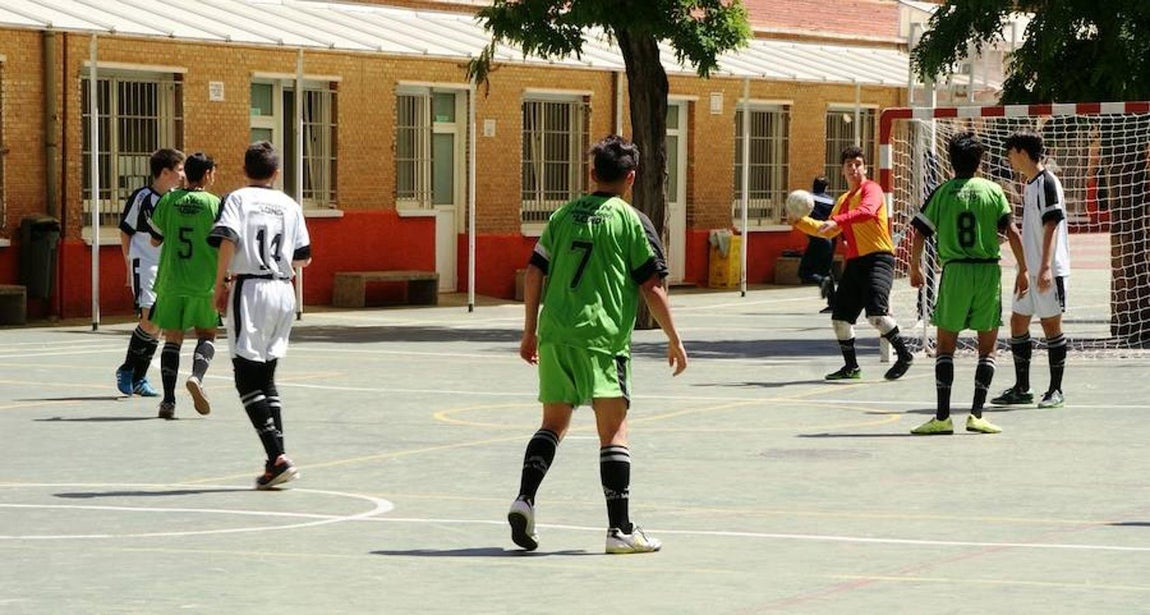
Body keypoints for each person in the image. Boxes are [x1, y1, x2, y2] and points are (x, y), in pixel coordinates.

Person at [509, 135, 688, 554]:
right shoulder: (630, 221)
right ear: (631, 177)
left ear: (591, 174)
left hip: (555, 334)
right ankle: (620, 530)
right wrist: (675, 339)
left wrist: (529, 330)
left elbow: (534, 272)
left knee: (552, 423)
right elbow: (652, 286)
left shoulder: (563, 215)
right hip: (601, 339)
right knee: (614, 432)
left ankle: (525, 499)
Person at [907, 132, 1028, 435]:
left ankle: (942, 417)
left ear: (951, 161)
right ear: (980, 161)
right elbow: (1012, 232)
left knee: (945, 347)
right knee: (987, 350)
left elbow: (920, 232)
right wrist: (1024, 269)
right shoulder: (993, 190)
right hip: (988, 273)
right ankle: (976, 415)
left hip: (955, 272)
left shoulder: (943, 192)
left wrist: (914, 267)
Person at [209, 142, 312, 489]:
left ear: (244, 169)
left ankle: (279, 456)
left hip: (250, 289)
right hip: (284, 290)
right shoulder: (290, 204)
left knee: (244, 377)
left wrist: (220, 284)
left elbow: (227, 240)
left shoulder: (237, 198)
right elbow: (303, 257)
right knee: (266, 376)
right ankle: (274, 460)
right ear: (276, 173)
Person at [793, 145, 915, 381]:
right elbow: (826, 230)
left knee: (876, 316)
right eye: (849, 165)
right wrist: (799, 221)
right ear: (842, 170)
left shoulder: (873, 190)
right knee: (840, 320)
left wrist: (837, 220)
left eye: (858, 164)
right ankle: (851, 367)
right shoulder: (842, 201)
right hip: (855, 263)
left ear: (865, 167)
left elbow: (867, 211)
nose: (853, 168)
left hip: (879, 258)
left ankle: (904, 354)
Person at [991, 130, 1071, 409]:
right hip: (1031, 270)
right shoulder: (1030, 184)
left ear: (1021, 153)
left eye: (1010, 153)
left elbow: (1052, 224)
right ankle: (1022, 387)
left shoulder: (1048, 181)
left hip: (1050, 270)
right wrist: (1024, 269)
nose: (1008, 159)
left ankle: (1056, 390)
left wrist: (1046, 267)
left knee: (1051, 326)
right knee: (1018, 322)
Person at [148, 152, 221, 420]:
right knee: (207, 334)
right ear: (205, 175)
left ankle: (168, 402)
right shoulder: (215, 204)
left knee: (173, 338)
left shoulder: (168, 200)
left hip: (172, 281)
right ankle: (196, 377)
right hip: (203, 282)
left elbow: (154, 241)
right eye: (212, 172)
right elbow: (223, 244)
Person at [115, 148, 185, 398]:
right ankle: (127, 369)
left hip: (167, 268)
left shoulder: (177, 199)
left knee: (158, 324)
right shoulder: (142, 197)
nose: (182, 174)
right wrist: (127, 264)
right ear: (165, 172)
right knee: (150, 319)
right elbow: (125, 231)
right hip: (145, 263)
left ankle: (139, 378)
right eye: (179, 169)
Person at [797, 176, 836, 313]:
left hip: (816, 237)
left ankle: (820, 281)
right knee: (827, 270)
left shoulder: (807, 199)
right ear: (826, 188)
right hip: (830, 238)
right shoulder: (832, 201)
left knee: (803, 272)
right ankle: (833, 303)